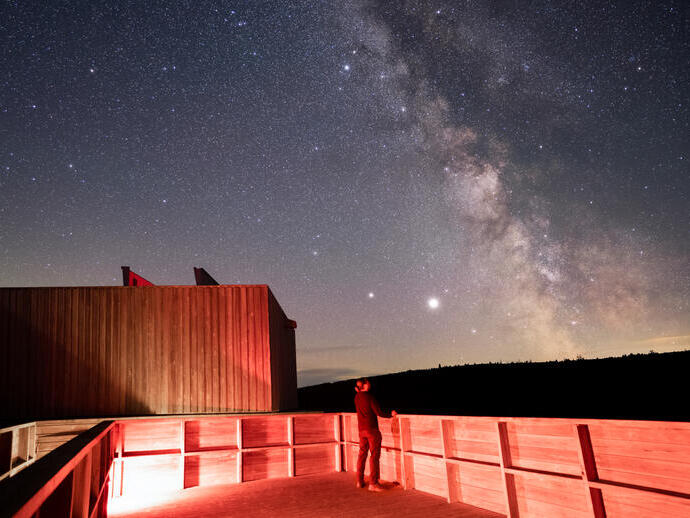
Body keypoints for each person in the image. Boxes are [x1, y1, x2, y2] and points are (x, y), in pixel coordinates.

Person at [354, 378, 397, 491]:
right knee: (374, 456)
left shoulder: (357, 397)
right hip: (372, 430)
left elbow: (360, 397)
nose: (370, 384)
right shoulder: (369, 397)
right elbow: (379, 412)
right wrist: (391, 415)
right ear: (364, 385)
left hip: (361, 430)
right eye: (368, 382)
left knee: (362, 455)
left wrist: (358, 391)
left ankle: (359, 480)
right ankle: (373, 483)